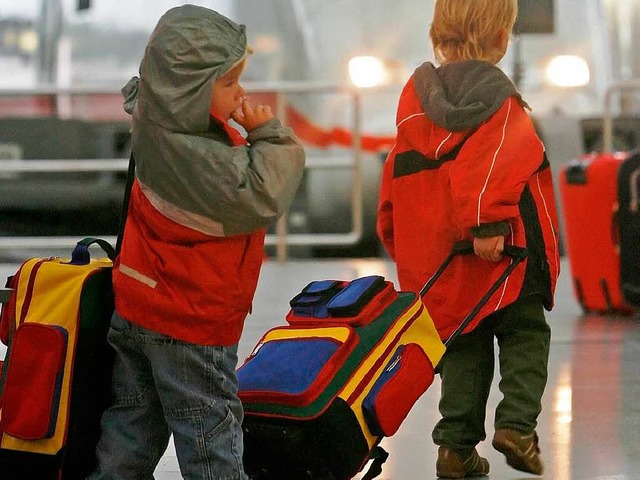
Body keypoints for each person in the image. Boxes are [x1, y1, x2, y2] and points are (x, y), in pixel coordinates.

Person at [88, 5, 305, 480]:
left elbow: (143, 86)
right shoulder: (198, 160)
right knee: (210, 436)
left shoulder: (153, 119)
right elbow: (268, 188)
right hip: (190, 323)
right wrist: (268, 132)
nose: (241, 93)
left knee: (131, 430)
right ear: (187, 91)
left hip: (138, 306)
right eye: (228, 84)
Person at [376, 0, 560, 477]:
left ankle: (455, 449)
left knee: (462, 345)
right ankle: (517, 426)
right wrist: (487, 223)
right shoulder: (498, 96)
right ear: (501, 38)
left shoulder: (414, 104)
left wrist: (395, 232)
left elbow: (398, 169)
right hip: (506, 250)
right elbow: (497, 157)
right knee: (525, 333)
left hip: (444, 257)